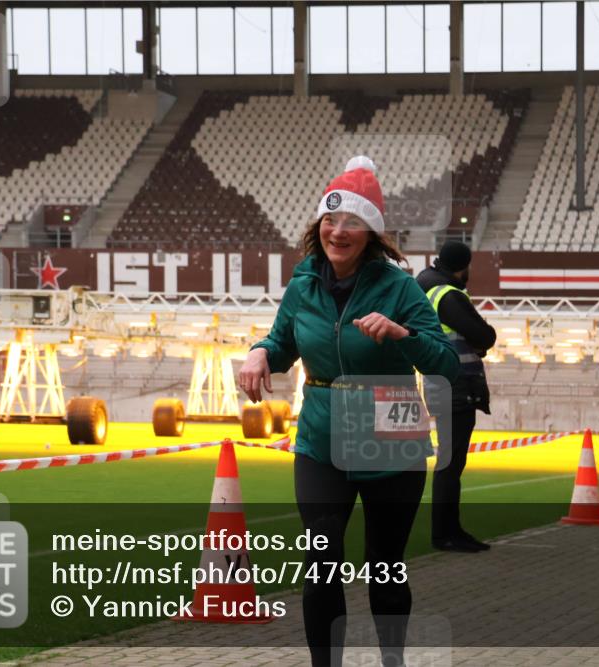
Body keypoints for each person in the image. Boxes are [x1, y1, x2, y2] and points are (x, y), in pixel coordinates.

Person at [239, 156, 459, 667]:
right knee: (321, 564)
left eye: (353, 222)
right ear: (319, 226)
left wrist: (403, 335)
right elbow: (280, 343)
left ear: (372, 233)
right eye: (331, 220)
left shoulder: (400, 288)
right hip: (321, 441)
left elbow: (446, 362)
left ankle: (392, 661)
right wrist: (258, 352)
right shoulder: (302, 286)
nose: (339, 231)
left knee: (384, 567)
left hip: (392, 436)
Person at [416, 241, 497, 553]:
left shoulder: (426, 284)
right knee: (451, 462)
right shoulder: (447, 293)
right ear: (463, 265)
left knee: (450, 461)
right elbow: (484, 334)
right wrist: (482, 341)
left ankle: (450, 529)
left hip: (443, 381)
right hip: (456, 384)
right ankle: (446, 533)